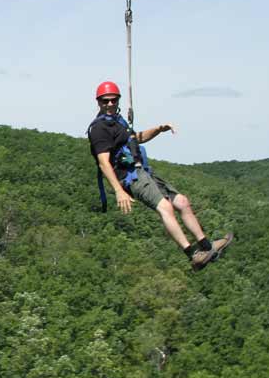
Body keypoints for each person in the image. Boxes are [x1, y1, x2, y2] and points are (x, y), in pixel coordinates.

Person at [87, 81, 232, 270]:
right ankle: (193, 254)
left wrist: (158, 129)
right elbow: (104, 162)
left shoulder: (118, 121)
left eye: (113, 100)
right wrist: (118, 191)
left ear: (118, 100)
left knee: (182, 202)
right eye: (105, 101)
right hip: (129, 176)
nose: (110, 104)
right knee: (165, 207)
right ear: (98, 102)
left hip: (143, 171)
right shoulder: (100, 129)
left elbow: (135, 138)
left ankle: (206, 246)